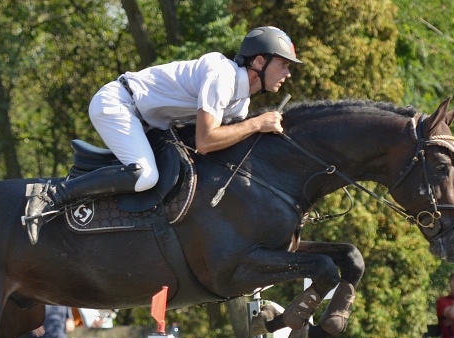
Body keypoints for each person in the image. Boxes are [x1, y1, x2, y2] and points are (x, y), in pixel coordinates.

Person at [24, 26, 302, 244]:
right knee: (145, 176)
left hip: (150, 122)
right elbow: (206, 142)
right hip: (118, 103)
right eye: (283, 65)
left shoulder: (240, 103)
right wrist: (257, 125)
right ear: (260, 61)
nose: (288, 73)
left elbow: (228, 143)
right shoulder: (223, 75)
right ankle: (51, 196)